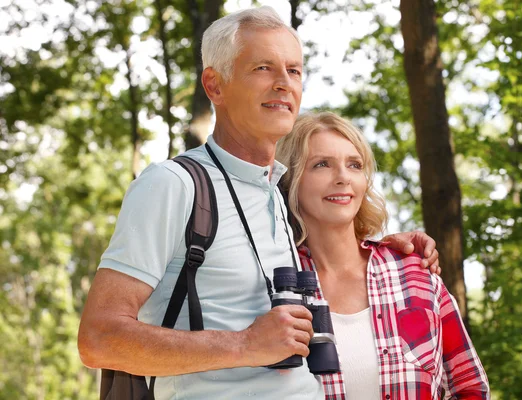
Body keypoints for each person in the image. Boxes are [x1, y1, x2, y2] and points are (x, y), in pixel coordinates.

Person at [78, 6, 439, 400]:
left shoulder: (278, 194)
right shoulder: (173, 185)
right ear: (214, 86)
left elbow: (334, 243)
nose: (284, 83)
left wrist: (390, 246)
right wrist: (244, 345)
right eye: (263, 68)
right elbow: (99, 338)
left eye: (294, 70)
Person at [276, 112, 490, 400]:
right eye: (321, 164)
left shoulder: (415, 272)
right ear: (291, 179)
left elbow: (471, 387)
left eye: (354, 165)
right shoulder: (277, 286)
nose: (343, 178)